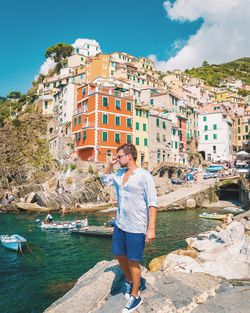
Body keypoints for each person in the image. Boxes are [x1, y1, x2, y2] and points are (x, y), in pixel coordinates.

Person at [101, 143, 157, 313]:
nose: (117, 159)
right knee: (119, 254)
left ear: (129, 156)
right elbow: (104, 180)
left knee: (133, 261)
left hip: (136, 225)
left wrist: (151, 229)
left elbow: (152, 203)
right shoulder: (118, 173)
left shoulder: (144, 175)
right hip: (120, 223)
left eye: (119, 157)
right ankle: (129, 279)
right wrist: (110, 165)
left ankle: (135, 295)